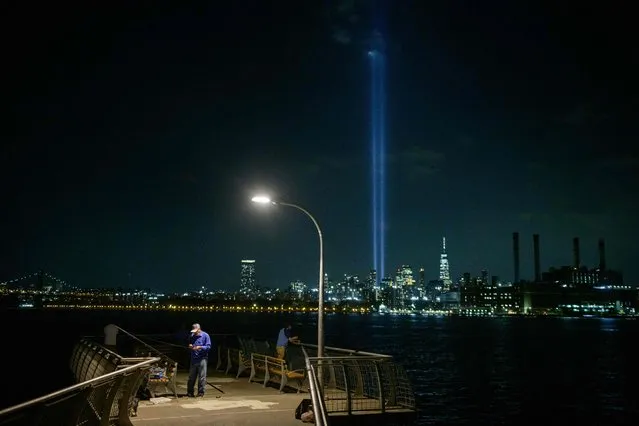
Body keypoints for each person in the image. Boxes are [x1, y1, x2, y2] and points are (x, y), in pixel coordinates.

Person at [187, 323, 211, 397]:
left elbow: (208, 347)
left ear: (199, 329)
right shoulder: (192, 336)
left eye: (195, 331)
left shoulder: (205, 335)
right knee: (191, 377)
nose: (194, 333)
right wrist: (190, 346)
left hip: (202, 359)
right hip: (193, 359)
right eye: (193, 331)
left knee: (202, 377)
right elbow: (190, 343)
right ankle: (190, 392)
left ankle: (200, 393)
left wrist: (200, 347)